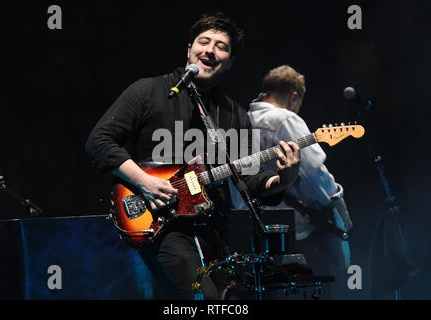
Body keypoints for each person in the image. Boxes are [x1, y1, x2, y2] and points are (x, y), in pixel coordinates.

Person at [85, 13, 300, 300]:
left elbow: (250, 178)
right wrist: (144, 181)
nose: (211, 50)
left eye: (221, 46)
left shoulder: (234, 113)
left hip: (216, 232)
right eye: (204, 42)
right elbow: (99, 140)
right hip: (164, 225)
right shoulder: (148, 91)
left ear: (230, 62)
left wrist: (285, 177)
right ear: (189, 49)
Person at [245, 65, 353, 298]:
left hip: (260, 232)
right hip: (301, 232)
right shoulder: (285, 119)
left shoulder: (242, 119)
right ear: (294, 95)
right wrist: (338, 207)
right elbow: (314, 171)